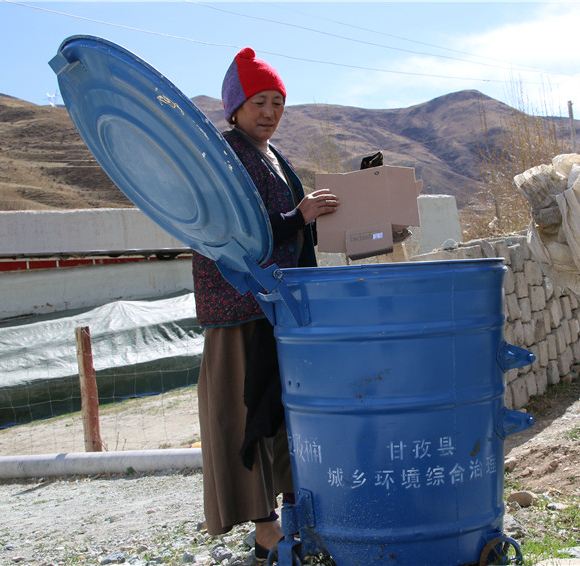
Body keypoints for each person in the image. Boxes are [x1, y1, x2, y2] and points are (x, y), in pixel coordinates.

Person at [192, 47, 338, 561]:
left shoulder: (271, 155)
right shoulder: (223, 155)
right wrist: (298, 217)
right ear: (234, 108)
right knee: (245, 413)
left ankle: (297, 512)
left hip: (277, 303)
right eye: (259, 102)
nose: (270, 112)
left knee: (283, 411)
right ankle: (264, 527)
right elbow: (228, 231)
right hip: (240, 306)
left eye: (278, 102)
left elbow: (287, 226)